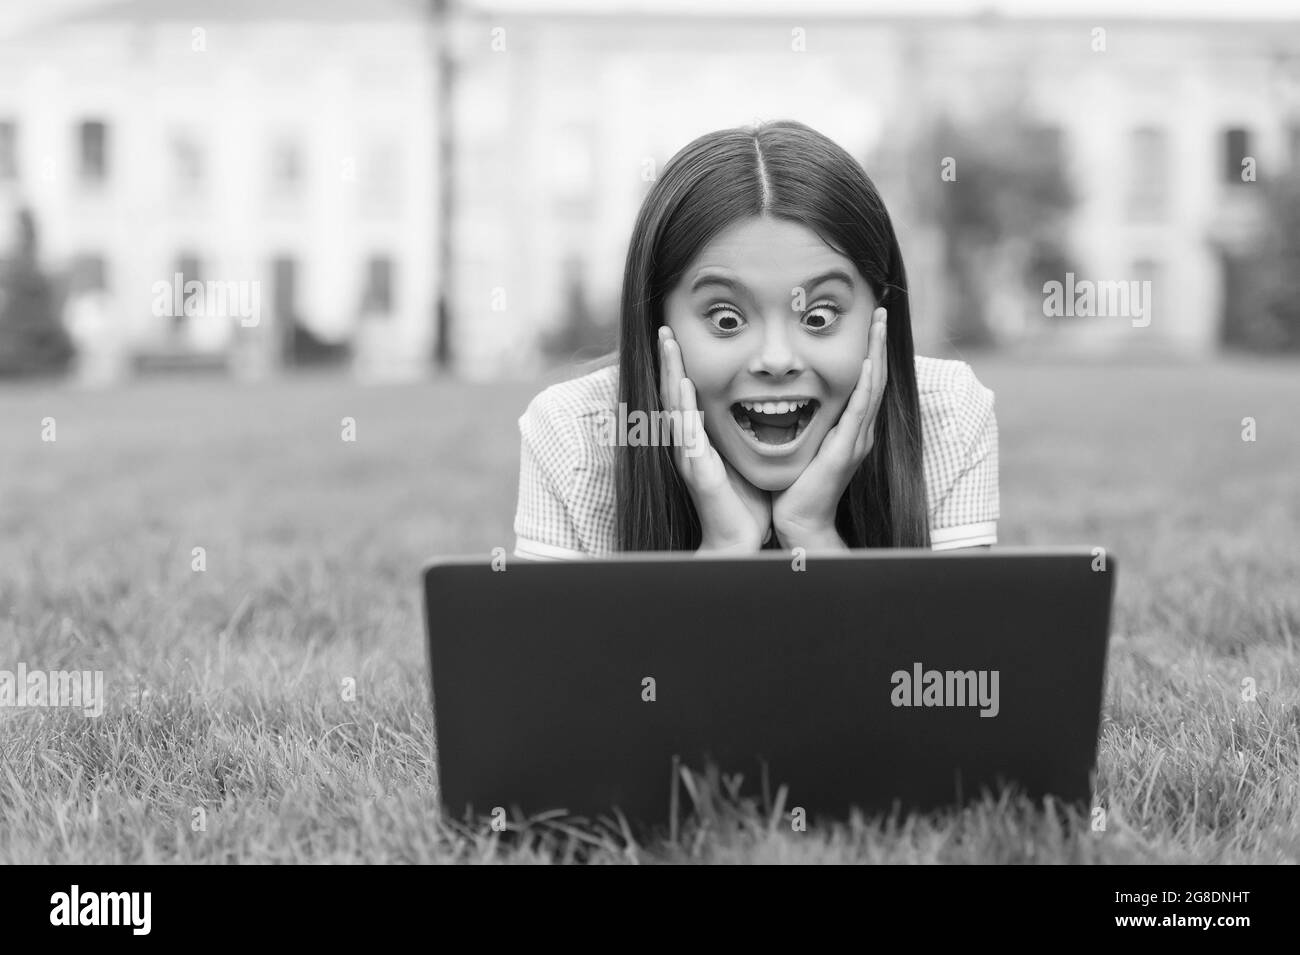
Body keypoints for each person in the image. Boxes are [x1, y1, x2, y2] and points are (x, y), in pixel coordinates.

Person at [513, 120, 997, 559]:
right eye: (726, 320)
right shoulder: (576, 437)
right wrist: (725, 550)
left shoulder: (945, 417)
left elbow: (935, 657)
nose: (777, 360)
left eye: (819, 316)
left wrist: (812, 533)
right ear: (656, 321)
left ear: (880, 315)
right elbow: (575, 662)